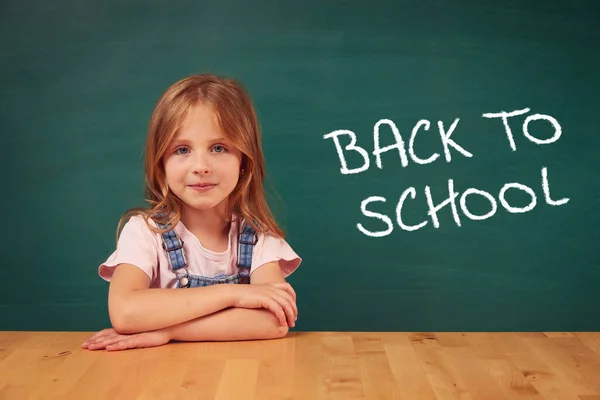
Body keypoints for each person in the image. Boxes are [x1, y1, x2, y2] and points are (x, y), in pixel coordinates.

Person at [82, 74, 302, 351]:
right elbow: (126, 312)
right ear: (160, 162)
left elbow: (274, 322)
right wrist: (235, 295)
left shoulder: (259, 239)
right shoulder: (145, 233)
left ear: (244, 160)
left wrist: (168, 331)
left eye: (218, 148)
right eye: (182, 149)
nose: (201, 166)